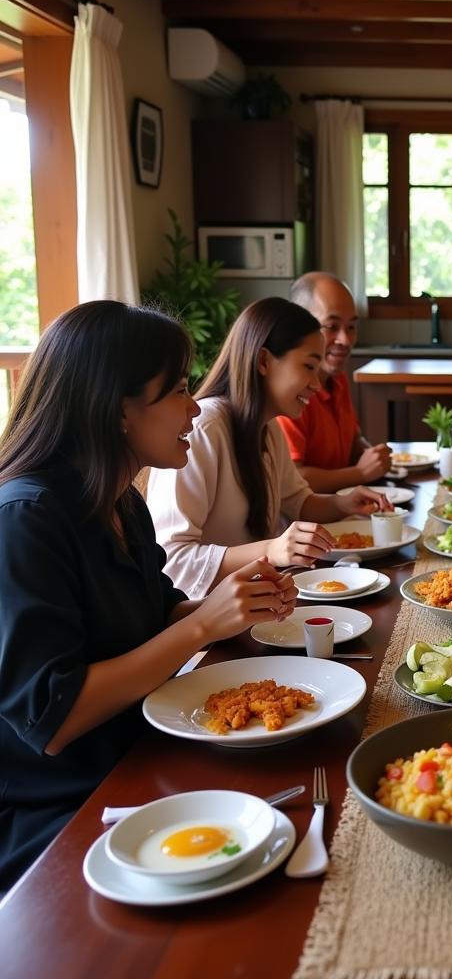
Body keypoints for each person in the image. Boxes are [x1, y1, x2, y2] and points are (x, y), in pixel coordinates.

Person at [0, 302, 297, 892]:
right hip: (66, 810)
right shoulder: (24, 520)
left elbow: (159, 614)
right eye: (180, 391)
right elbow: (52, 719)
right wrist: (199, 627)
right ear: (119, 412)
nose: (195, 407)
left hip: (146, 754)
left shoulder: (118, 499)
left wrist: (238, 606)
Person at [148, 298, 390, 599]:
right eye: (308, 366)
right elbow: (172, 560)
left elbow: (296, 502)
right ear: (264, 361)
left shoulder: (269, 428)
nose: (316, 384)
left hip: (262, 604)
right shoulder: (203, 430)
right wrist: (271, 550)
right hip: (208, 621)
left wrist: (343, 504)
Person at [280, 272, 391, 492]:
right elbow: (292, 479)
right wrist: (359, 473)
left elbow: (353, 438)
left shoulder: (336, 377)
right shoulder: (288, 392)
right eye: (332, 327)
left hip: (343, 509)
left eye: (351, 327)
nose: (345, 340)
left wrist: (371, 455)